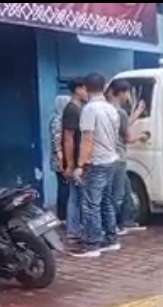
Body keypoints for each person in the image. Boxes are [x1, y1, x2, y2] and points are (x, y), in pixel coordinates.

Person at [74, 72, 121, 258]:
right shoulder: (111, 109)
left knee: (90, 204)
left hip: (96, 162)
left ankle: (93, 244)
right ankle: (111, 239)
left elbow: (87, 138)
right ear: (104, 88)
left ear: (85, 88)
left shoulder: (90, 109)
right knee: (106, 201)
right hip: (111, 159)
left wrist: (80, 164)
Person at [107, 79, 147, 234]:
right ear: (122, 93)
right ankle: (113, 227)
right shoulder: (120, 112)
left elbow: (122, 126)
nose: (128, 96)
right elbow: (127, 137)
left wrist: (136, 114)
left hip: (108, 157)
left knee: (124, 190)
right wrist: (142, 136)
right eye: (127, 93)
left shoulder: (108, 110)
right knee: (116, 195)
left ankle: (126, 222)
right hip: (118, 157)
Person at [61, 79, 88, 242]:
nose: (87, 93)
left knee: (77, 195)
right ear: (78, 90)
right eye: (85, 89)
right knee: (76, 195)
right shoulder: (72, 110)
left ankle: (75, 228)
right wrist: (70, 163)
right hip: (76, 160)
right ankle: (74, 229)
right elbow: (68, 138)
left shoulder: (80, 109)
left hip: (79, 159)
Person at [50, 94, 72, 221]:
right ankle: (63, 216)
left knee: (65, 188)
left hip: (61, 159)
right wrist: (63, 162)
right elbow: (57, 143)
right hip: (60, 160)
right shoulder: (58, 121)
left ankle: (64, 215)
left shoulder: (61, 119)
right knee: (64, 189)